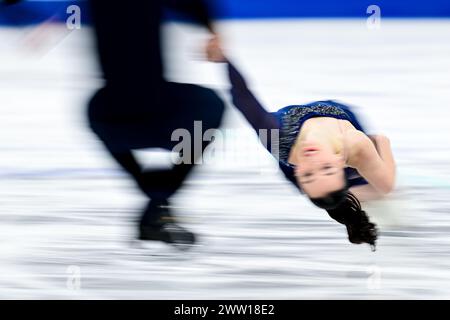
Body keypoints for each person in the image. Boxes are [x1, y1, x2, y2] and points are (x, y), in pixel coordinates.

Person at [206, 37, 396, 250]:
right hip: (343, 121)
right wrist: (379, 141)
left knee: (352, 190)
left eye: (308, 175)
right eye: (326, 168)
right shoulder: (355, 144)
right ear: (340, 161)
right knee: (373, 187)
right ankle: (352, 194)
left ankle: (347, 196)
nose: (313, 163)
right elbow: (386, 181)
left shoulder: (276, 137)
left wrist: (223, 58)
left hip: (295, 151)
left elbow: (244, 99)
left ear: (298, 176)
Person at [87, 1, 225, 247]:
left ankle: (156, 199)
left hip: (111, 119)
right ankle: (158, 198)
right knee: (212, 105)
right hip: (162, 115)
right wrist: (211, 28)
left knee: (93, 107)